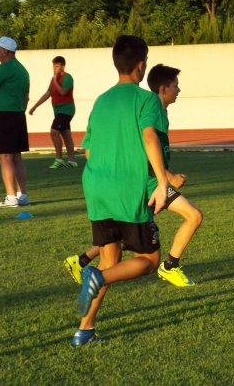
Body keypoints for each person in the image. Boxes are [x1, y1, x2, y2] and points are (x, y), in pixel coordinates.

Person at [64, 64, 203, 289]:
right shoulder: (150, 108)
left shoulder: (157, 109)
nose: (179, 90)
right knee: (193, 215)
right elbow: (146, 151)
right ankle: (169, 266)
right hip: (148, 182)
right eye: (176, 86)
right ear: (163, 88)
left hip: (142, 182)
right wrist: (168, 177)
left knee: (120, 235)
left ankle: (81, 262)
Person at [71, 35, 169, 347]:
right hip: (127, 192)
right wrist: (163, 183)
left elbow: (87, 151)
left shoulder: (101, 101)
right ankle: (98, 278)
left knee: (109, 260)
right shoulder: (146, 99)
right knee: (150, 260)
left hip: (97, 190)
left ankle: (83, 331)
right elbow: (150, 137)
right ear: (141, 65)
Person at [0, 36, 31, 208]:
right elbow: (26, 97)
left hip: (4, 116)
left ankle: (11, 197)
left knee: (5, 156)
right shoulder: (22, 70)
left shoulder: (5, 67)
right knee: (16, 156)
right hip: (18, 116)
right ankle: (22, 195)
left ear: (5, 51)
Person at [29, 56, 78, 168]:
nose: (54, 68)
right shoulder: (53, 80)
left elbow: (63, 92)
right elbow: (47, 94)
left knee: (54, 131)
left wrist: (55, 80)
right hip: (58, 111)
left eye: (57, 66)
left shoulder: (67, 77)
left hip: (67, 110)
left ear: (63, 67)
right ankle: (72, 161)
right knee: (66, 134)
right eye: (54, 66)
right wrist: (35, 106)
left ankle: (59, 159)